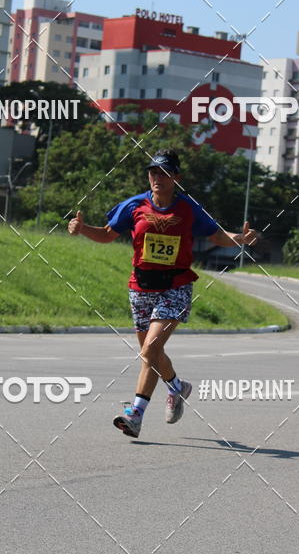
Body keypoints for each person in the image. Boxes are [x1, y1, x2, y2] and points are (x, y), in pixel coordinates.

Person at [67, 149, 257, 438]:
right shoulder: (134, 205)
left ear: (176, 177)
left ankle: (135, 414)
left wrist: (238, 239)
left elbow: (216, 235)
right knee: (152, 355)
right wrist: (82, 229)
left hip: (176, 287)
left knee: (150, 350)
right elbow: (107, 233)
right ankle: (177, 387)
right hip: (141, 288)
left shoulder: (188, 208)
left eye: (164, 172)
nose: (157, 177)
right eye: (153, 172)